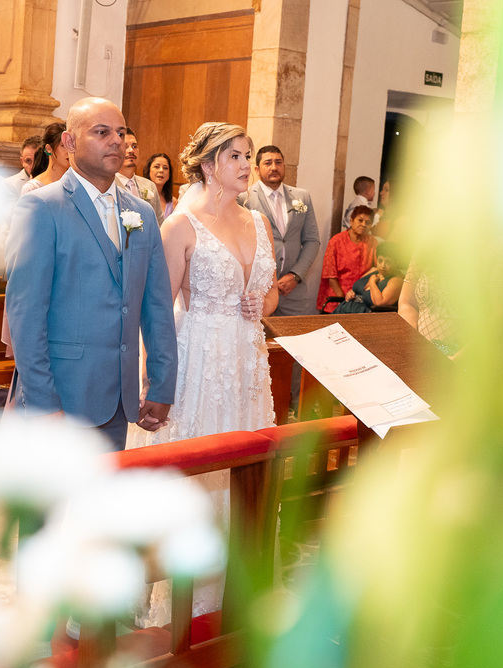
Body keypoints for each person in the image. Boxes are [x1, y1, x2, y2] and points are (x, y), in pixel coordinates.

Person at [5, 97, 177, 451]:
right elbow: (26, 314)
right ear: (69, 143)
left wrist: (161, 384)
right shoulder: (41, 207)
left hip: (118, 399)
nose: (117, 141)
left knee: (100, 504)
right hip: (61, 397)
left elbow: (157, 306)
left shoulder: (141, 212)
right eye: (102, 132)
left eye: (121, 133)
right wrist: (42, 404)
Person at [153, 122, 277, 443]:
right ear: (208, 166)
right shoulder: (180, 226)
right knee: (200, 447)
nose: (247, 165)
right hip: (200, 356)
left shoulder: (260, 222)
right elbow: (160, 310)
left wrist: (261, 304)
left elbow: (272, 292)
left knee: (245, 448)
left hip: (247, 355)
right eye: (234, 156)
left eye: (247, 156)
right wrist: (152, 378)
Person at [239, 145, 321, 316]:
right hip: (258, 291)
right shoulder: (243, 198)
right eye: (268, 163)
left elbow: (312, 240)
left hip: (293, 290)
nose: (274, 167)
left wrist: (296, 275)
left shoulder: (302, 197)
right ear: (257, 169)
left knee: (294, 340)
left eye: (278, 162)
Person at [317, 205, 376, 313]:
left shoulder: (372, 242)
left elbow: (376, 269)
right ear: (351, 221)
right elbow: (330, 275)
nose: (363, 225)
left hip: (361, 301)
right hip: (336, 299)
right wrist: (344, 299)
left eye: (368, 222)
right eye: (360, 220)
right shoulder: (336, 241)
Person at [334, 243, 403, 313]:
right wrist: (350, 293)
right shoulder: (374, 270)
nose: (383, 266)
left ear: (396, 263)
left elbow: (380, 303)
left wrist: (372, 282)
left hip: (362, 315)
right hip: (344, 308)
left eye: (388, 262)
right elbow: (356, 288)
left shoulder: (396, 281)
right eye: (380, 261)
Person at [115, 128, 163, 226]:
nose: (131, 150)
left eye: (134, 146)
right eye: (125, 146)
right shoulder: (108, 184)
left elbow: (159, 223)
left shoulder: (150, 186)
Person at [20, 121, 68, 194]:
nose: (69, 151)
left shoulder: (76, 185)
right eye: (63, 146)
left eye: (71, 145)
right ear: (49, 148)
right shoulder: (33, 188)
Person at [144, 152, 175, 220]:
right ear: (148, 170)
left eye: (165, 168)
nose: (161, 170)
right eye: (157, 167)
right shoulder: (140, 195)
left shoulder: (174, 203)